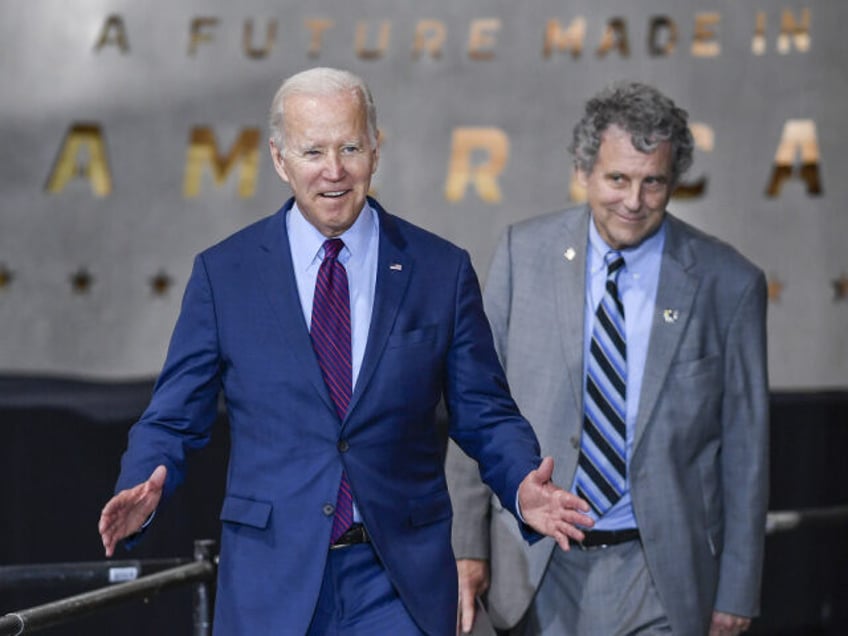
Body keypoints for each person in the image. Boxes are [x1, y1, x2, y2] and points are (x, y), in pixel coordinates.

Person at [97, 67, 594, 635]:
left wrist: (522, 481)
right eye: (313, 151)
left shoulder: (439, 270)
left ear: (376, 151)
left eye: (350, 147)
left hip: (396, 579)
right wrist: (140, 484)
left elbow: (484, 410)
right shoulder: (225, 274)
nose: (333, 171)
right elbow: (173, 417)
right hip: (273, 577)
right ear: (281, 161)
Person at [446, 81, 769, 636]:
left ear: (674, 182)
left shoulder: (728, 284)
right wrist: (465, 547)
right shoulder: (523, 255)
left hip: (659, 575)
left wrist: (738, 589)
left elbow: (745, 450)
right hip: (534, 567)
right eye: (617, 178)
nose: (634, 201)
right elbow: (476, 408)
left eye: (653, 182)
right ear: (583, 171)